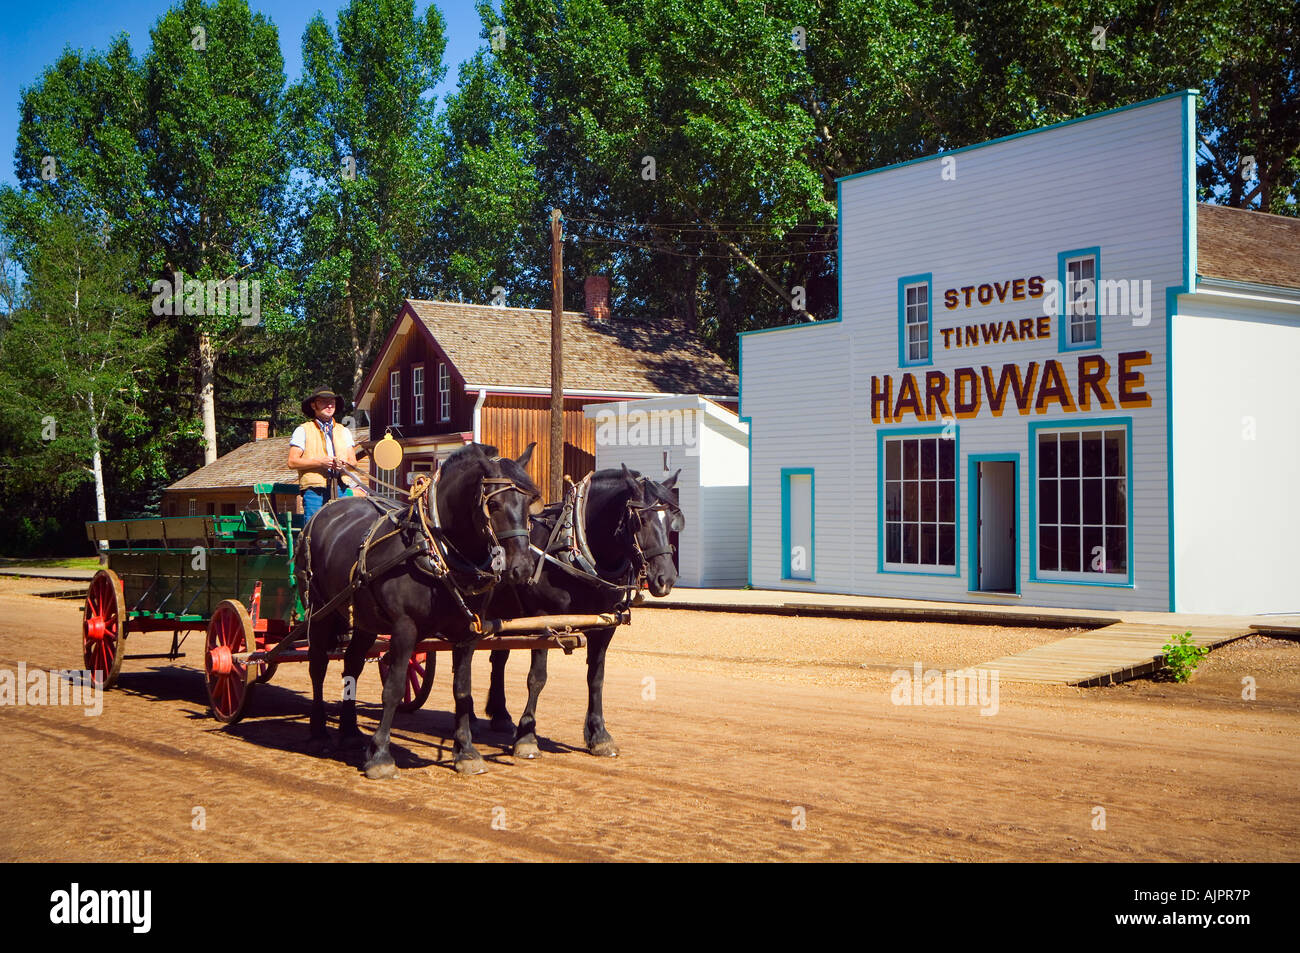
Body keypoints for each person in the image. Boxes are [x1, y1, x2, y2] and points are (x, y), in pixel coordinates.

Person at [287, 387, 364, 522]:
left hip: (341, 488)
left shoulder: (343, 431)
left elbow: (353, 461)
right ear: (313, 405)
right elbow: (292, 462)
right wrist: (320, 462)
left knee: (345, 528)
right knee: (314, 529)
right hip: (315, 490)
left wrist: (342, 465)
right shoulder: (303, 430)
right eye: (323, 402)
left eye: (332, 402)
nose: (329, 406)